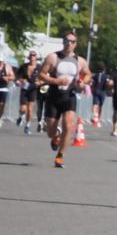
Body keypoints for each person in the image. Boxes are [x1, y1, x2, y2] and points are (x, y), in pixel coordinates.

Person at [38, 32, 91, 168]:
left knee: (68, 125)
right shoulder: (53, 57)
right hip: (54, 96)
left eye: (72, 42)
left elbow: (88, 74)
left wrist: (82, 82)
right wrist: (56, 81)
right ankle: (56, 135)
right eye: (67, 41)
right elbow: (41, 75)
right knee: (50, 132)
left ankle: (60, 156)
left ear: (76, 44)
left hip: (69, 96)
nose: (69, 44)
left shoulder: (80, 61)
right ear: (63, 42)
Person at [15, 51, 41, 134]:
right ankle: (21, 116)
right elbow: (17, 76)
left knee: (30, 109)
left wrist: (39, 82)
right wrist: (21, 80)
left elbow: (44, 78)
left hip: (33, 89)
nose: (32, 57)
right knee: (23, 109)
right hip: (24, 89)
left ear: (36, 57)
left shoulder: (39, 67)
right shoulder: (24, 66)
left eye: (34, 55)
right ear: (29, 57)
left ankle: (27, 125)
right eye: (31, 55)